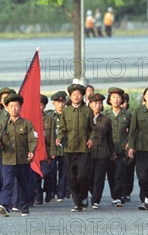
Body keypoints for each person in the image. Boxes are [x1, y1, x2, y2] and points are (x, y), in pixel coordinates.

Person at [0, 94, 37, 216]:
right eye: (11, 106)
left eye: (16, 106)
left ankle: (24, 206)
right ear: (7, 108)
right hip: (7, 160)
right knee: (7, 183)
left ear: (20, 108)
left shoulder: (27, 124)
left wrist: (31, 151)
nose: (14, 109)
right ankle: (5, 206)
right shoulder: (3, 124)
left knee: (23, 185)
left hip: (23, 159)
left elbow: (32, 139)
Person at [56, 84, 95, 212]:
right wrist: (59, 138)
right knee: (72, 178)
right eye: (73, 94)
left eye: (78, 94)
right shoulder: (66, 111)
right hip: (69, 149)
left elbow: (93, 129)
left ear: (82, 96)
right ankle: (77, 203)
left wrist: (91, 139)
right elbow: (62, 129)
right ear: (70, 96)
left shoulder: (87, 111)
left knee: (82, 176)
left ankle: (83, 196)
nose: (76, 96)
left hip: (84, 149)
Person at [105, 87, 131, 207]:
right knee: (111, 174)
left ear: (122, 100)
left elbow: (133, 131)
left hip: (122, 148)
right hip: (109, 149)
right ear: (109, 100)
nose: (116, 100)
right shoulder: (105, 114)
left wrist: (129, 143)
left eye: (118, 97)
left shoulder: (128, 114)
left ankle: (118, 195)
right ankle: (114, 196)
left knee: (120, 173)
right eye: (113, 97)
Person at [88, 93, 114, 209]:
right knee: (87, 176)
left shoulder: (106, 119)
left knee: (99, 177)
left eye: (100, 103)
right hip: (88, 152)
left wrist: (112, 151)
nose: (97, 106)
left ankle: (95, 200)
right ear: (90, 104)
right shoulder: (85, 118)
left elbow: (110, 137)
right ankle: (92, 193)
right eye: (95, 103)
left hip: (103, 152)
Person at [48, 91, 69, 202]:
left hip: (65, 147)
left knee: (64, 171)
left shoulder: (69, 114)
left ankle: (61, 193)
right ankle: (51, 191)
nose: (60, 105)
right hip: (52, 148)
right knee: (51, 171)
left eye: (62, 102)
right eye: (57, 102)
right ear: (53, 103)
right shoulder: (50, 115)